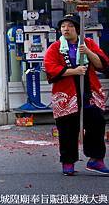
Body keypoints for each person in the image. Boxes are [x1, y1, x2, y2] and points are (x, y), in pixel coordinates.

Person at [43, 14, 109, 176]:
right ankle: (68, 161)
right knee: (67, 128)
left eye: (70, 26)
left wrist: (87, 51)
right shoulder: (55, 47)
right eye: (63, 26)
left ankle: (96, 159)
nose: (66, 29)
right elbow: (50, 67)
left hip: (89, 91)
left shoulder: (88, 43)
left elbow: (102, 63)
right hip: (66, 93)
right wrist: (74, 71)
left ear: (78, 29)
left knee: (97, 122)